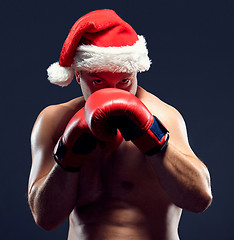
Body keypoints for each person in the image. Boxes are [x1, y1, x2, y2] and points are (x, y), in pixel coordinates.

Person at [28, 9, 212, 240]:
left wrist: (152, 138)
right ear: (77, 75)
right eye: (98, 81)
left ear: (135, 72)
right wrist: (68, 154)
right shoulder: (54, 120)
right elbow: (45, 219)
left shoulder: (163, 116)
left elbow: (200, 199)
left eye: (124, 81)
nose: (113, 92)